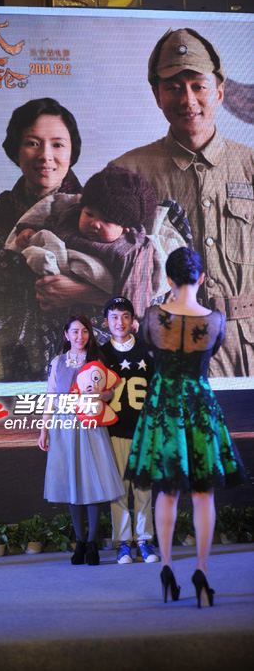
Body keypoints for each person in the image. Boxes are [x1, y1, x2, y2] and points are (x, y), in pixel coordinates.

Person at [110, 28, 254, 377]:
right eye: (173, 87)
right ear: (157, 96)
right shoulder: (127, 173)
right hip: (164, 348)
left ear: (219, 92)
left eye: (198, 86)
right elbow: (105, 260)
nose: (187, 99)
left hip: (246, 348)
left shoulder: (250, 165)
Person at [0, 97, 108, 384]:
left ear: (72, 151)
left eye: (58, 145)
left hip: (92, 367)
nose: (45, 156)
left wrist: (80, 292)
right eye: (33, 143)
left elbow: (142, 295)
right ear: (16, 149)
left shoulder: (104, 214)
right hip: (4, 367)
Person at [125, 248, 246, 607]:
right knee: (204, 493)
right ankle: (202, 573)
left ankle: (166, 568)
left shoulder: (152, 316)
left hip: (163, 407)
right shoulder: (216, 321)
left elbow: (151, 347)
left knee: (167, 491)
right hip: (199, 406)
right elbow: (210, 354)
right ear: (202, 278)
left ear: (168, 279)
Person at [5, 165, 190, 320]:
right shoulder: (71, 217)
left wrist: (129, 313)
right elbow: (50, 223)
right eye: (89, 214)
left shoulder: (128, 249)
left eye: (107, 220)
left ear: (125, 228)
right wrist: (29, 231)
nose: (95, 223)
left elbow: (136, 284)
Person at [38, 314, 125, 566]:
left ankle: (92, 542)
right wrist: (44, 430)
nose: (80, 336)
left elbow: (109, 394)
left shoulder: (96, 361)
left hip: (90, 425)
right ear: (66, 334)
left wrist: (99, 393)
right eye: (75, 332)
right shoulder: (57, 362)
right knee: (72, 484)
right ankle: (79, 542)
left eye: (85, 331)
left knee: (91, 483)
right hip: (64, 426)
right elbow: (51, 397)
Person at [100, 297, 159, 565]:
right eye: (114, 317)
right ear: (106, 321)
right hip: (114, 431)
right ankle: (123, 542)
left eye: (125, 316)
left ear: (132, 319)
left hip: (143, 431)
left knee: (144, 488)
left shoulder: (148, 350)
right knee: (119, 490)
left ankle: (144, 540)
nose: (119, 322)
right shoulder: (101, 354)